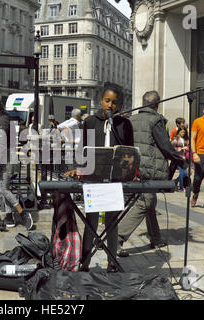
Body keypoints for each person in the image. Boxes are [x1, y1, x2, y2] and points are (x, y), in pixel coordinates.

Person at [117, 90, 188, 257]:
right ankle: (116, 238)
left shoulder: (132, 119)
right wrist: (182, 162)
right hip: (149, 168)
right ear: (157, 104)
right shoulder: (155, 120)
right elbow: (165, 146)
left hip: (134, 166)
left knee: (149, 201)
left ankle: (155, 237)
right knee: (145, 202)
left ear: (142, 102)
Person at [76, 86, 134, 272]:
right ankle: (84, 260)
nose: (110, 105)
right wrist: (78, 169)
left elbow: (130, 151)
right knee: (90, 220)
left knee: (112, 221)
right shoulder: (91, 122)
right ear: (101, 100)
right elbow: (82, 148)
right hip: (94, 177)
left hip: (115, 178)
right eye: (107, 100)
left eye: (115, 102)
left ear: (120, 105)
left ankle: (112, 261)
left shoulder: (124, 125)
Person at [0, 99, 33, 230]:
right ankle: (8, 216)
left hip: (5, 158)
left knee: (3, 189)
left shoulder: (3, 120)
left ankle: (22, 213)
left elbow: (1, 141)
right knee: (3, 187)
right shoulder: (5, 119)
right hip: (6, 156)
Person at [171, 127, 189, 191]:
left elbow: (188, 146)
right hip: (178, 158)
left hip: (184, 158)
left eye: (184, 132)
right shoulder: (176, 139)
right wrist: (181, 149)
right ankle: (182, 187)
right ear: (178, 132)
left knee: (185, 173)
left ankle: (175, 181)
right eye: (181, 132)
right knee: (182, 173)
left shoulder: (185, 139)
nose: (183, 133)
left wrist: (187, 148)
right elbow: (172, 148)